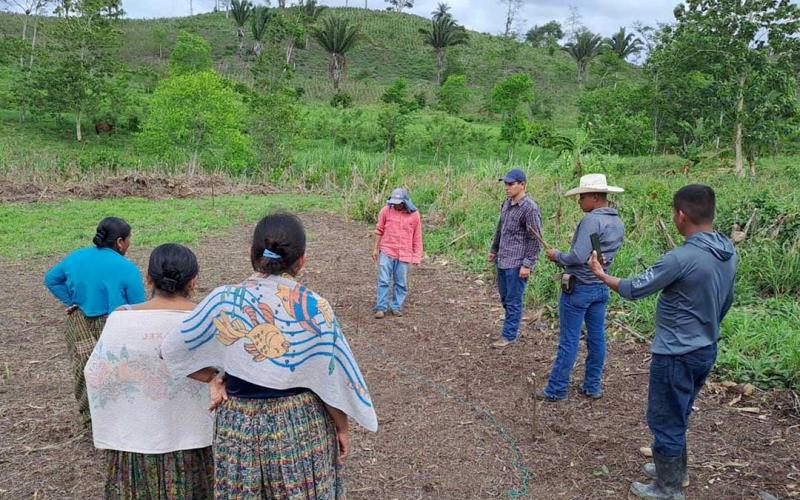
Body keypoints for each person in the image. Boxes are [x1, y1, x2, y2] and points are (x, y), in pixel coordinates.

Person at [161, 213, 378, 498]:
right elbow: (329, 381)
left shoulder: (224, 299)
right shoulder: (314, 307)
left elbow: (171, 351)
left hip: (238, 426)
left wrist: (212, 378)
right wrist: (343, 427)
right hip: (301, 427)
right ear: (302, 260)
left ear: (251, 254)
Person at [587, 185, 737, 499]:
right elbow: (727, 300)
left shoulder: (681, 258)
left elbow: (633, 288)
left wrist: (601, 274)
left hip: (676, 352)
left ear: (681, 215)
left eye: (673, 213)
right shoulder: (726, 249)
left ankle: (667, 489)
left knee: (665, 417)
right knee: (678, 411)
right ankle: (675, 470)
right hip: (705, 347)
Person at [85, 243, 215, 499]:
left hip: (134, 443)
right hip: (195, 442)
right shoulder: (205, 319)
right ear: (194, 281)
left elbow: (96, 374)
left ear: (147, 278)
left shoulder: (121, 319)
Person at [44, 216, 146, 426]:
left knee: (84, 367)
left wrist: (71, 300)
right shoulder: (126, 268)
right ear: (120, 242)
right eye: (129, 239)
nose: (129, 244)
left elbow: (51, 279)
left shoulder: (76, 257)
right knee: (119, 367)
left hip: (79, 320)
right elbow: (138, 305)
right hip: (114, 325)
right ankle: (122, 413)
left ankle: (90, 418)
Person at [538, 174, 625, 401]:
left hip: (580, 287)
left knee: (569, 340)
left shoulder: (591, 221)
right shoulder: (617, 221)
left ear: (594, 197)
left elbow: (577, 256)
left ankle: (556, 389)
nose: (579, 202)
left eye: (582, 197)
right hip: (601, 286)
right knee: (597, 338)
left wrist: (557, 255)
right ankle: (592, 385)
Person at [488, 168, 543, 348]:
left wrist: (527, 264)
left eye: (511, 184)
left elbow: (535, 238)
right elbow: (500, 228)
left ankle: (509, 335)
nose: (507, 187)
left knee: (513, 300)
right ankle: (511, 327)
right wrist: (494, 249)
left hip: (517, 263)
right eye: (506, 183)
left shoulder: (530, 208)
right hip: (503, 259)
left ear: (522, 185)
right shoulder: (507, 203)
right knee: (505, 298)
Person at [372, 187, 423, 319]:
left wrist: (416, 256)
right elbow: (379, 230)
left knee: (401, 282)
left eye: (399, 203)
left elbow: (417, 237)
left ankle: (396, 306)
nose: (396, 205)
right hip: (387, 250)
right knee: (383, 280)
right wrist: (375, 249)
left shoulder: (414, 215)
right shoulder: (386, 211)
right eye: (394, 202)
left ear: (405, 201)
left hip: (404, 254)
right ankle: (381, 307)